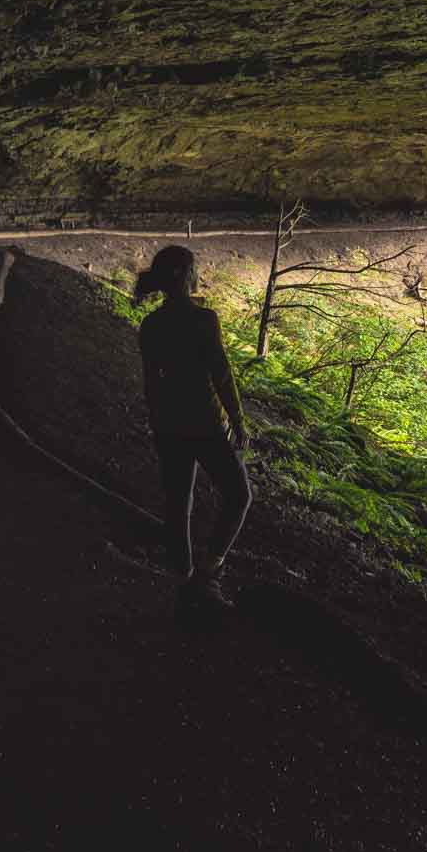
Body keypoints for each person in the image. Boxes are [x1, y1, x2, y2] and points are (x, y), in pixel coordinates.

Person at [133, 245, 252, 617]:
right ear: (187, 275)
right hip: (204, 423)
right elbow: (221, 373)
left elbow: (151, 384)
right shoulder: (204, 319)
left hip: (169, 424)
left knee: (178, 505)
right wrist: (238, 419)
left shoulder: (151, 326)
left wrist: (157, 423)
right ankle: (208, 571)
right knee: (238, 494)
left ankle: (183, 582)